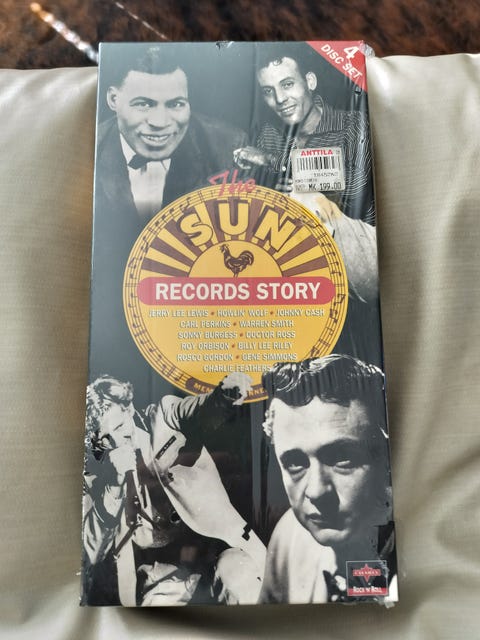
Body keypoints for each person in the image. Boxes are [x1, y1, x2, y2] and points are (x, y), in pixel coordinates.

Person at [90, 45, 248, 403]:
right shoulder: (85, 149)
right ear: (113, 100)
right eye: (143, 104)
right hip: (111, 331)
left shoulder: (228, 147)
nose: (161, 122)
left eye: (175, 104)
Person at [81, 372, 265, 606]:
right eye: (105, 438)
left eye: (119, 426)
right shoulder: (96, 475)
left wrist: (222, 398)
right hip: (165, 576)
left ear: (129, 409)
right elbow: (93, 551)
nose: (117, 442)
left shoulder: (164, 417)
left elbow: (199, 411)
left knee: (238, 581)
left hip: (224, 550)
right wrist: (114, 486)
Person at [259, 355, 397, 604]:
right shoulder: (290, 536)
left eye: (342, 458)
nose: (316, 491)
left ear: (387, 461)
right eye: (295, 463)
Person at [234, 46, 374, 222]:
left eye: (287, 84)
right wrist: (277, 196)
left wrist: (270, 159)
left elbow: (356, 191)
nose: (280, 99)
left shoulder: (353, 125)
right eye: (268, 91)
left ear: (310, 82)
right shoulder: (270, 134)